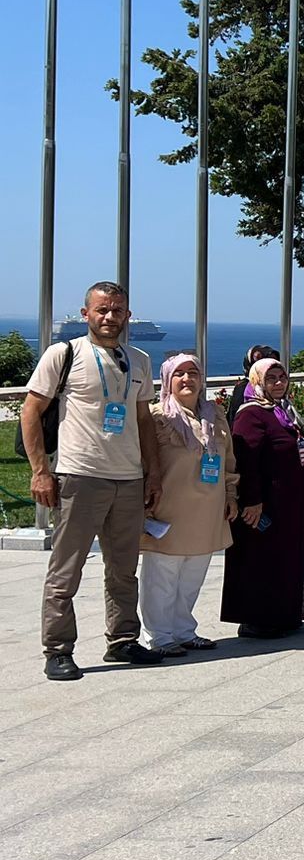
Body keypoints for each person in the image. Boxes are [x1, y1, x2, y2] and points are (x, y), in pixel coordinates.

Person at [22, 281, 164, 679]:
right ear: (86, 314)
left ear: (127, 315)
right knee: (66, 569)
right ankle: (58, 649)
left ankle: (122, 640)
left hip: (128, 478)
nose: (109, 317)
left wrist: (152, 474)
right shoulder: (64, 354)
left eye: (117, 310)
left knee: (123, 569)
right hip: (79, 475)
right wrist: (40, 472)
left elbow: (142, 420)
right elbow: (31, 412)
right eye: (101, 310)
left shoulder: (138, 360)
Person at [139, 353, 236, 654]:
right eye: (179, 374)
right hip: (169, 507)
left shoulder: (215, 416)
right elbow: (143, 461)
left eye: (193, 373)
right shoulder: (157, 417)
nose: (187, 379)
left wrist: (231, 494)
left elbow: (228, 460)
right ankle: (158, 635)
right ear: (168, 379)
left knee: (194, 573)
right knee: (162, 574)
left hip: (207, 509)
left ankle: (183, 629)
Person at [225, 357, 304, 638]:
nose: (278, 383)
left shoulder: (281, 410)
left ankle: (284, 614)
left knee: (285, 558)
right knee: (261, 559)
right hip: (264, 501)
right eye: (271, 379)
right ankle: (257, 618)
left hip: (288, 500)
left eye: (282, 378)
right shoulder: (251, 413)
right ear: (257, 381)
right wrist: (252, 500)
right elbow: (246, 459)